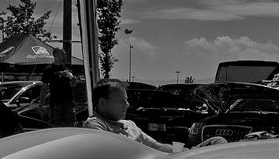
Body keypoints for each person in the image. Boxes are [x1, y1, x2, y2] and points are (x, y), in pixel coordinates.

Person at [83, 80, 226, 152]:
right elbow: (114, 154)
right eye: (121, 101)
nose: (127, 105)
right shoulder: (95, 125)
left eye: (127, 100)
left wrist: (182, 152)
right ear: (102, 103)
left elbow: (156, 146)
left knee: (217, 142)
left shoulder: (129, 124)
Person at [41, 49, 76, 127]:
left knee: (69, 124)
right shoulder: (49, 69)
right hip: (55, 101)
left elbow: (74, 83)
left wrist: (70, 76)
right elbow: (44, 87)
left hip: (68, 101)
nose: (64, 56)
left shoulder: (67, 67)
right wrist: (41, 102)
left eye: (64, 54)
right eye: (62, 54)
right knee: (55, 125)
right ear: (55, 55)